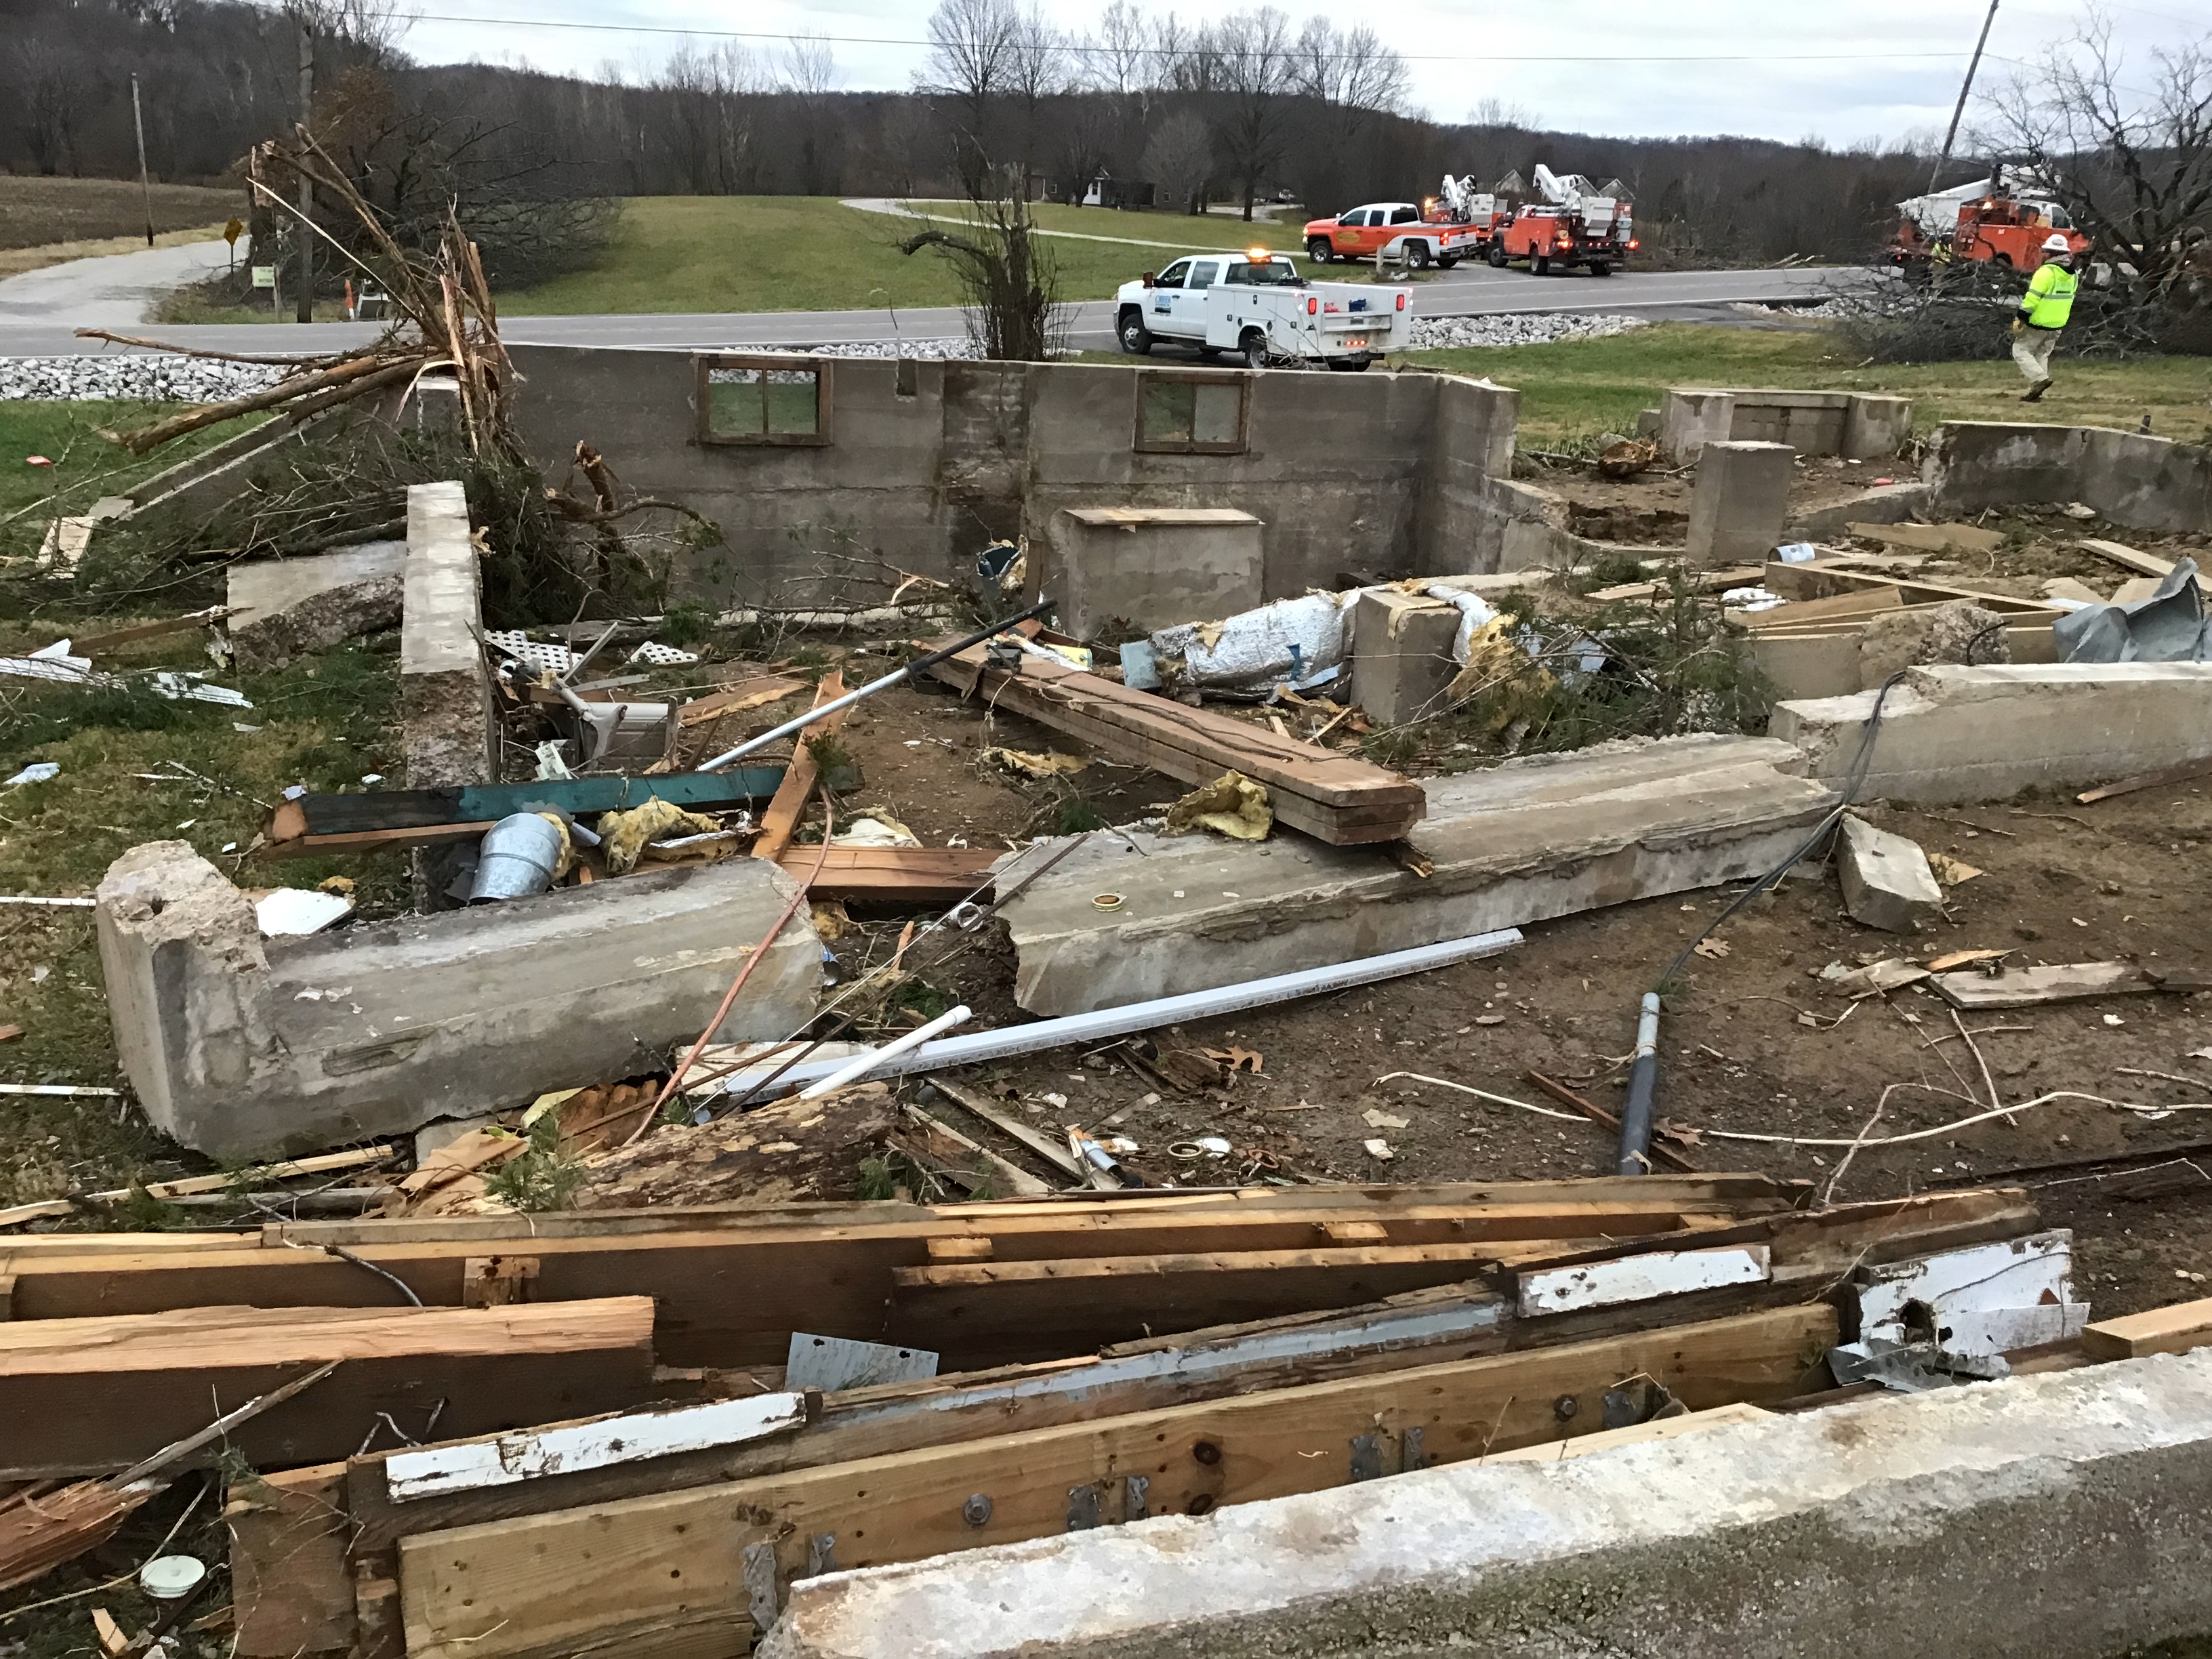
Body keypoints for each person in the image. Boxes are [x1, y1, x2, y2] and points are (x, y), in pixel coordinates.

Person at [2012, 234, 2079, 403]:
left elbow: (2032, 298)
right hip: (2058, 323)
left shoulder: (2046, 272)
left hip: (2039, 322)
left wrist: (2021, 318)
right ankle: (2038, 392)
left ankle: (2039, 380)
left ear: (2050, 253)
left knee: (2020, 350)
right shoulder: (2074, 275)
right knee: (2042, 354)